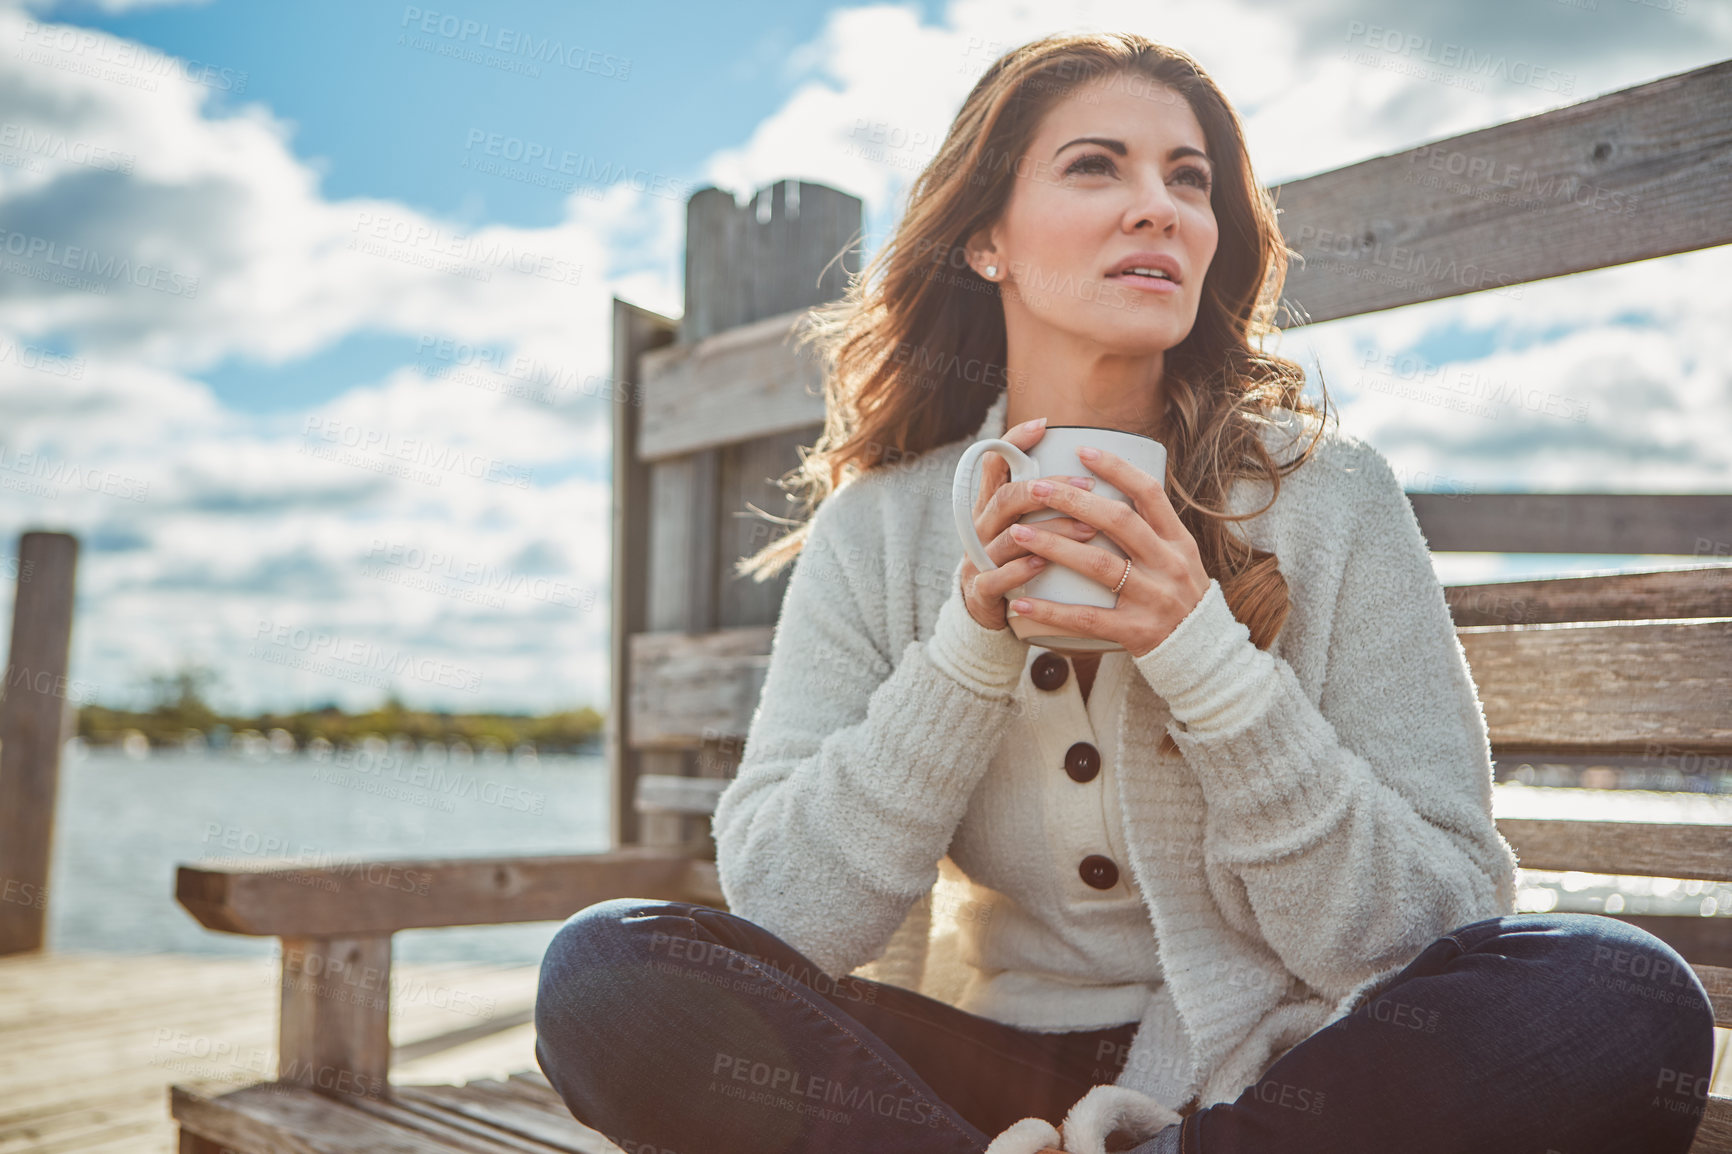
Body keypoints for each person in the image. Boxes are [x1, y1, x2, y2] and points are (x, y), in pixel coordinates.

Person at [534, 31, 1713, 1154]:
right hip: (956, 1075)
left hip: (1273, 1077)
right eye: (1096, 165)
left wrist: (1202, 655)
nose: (1159, 204)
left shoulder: (1328, 496)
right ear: (984, 236)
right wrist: (966, 650)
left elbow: (1433, 926)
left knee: (1617, 994)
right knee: (606, 972)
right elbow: (789, 912)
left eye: (1188, 179)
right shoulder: (877, 526)